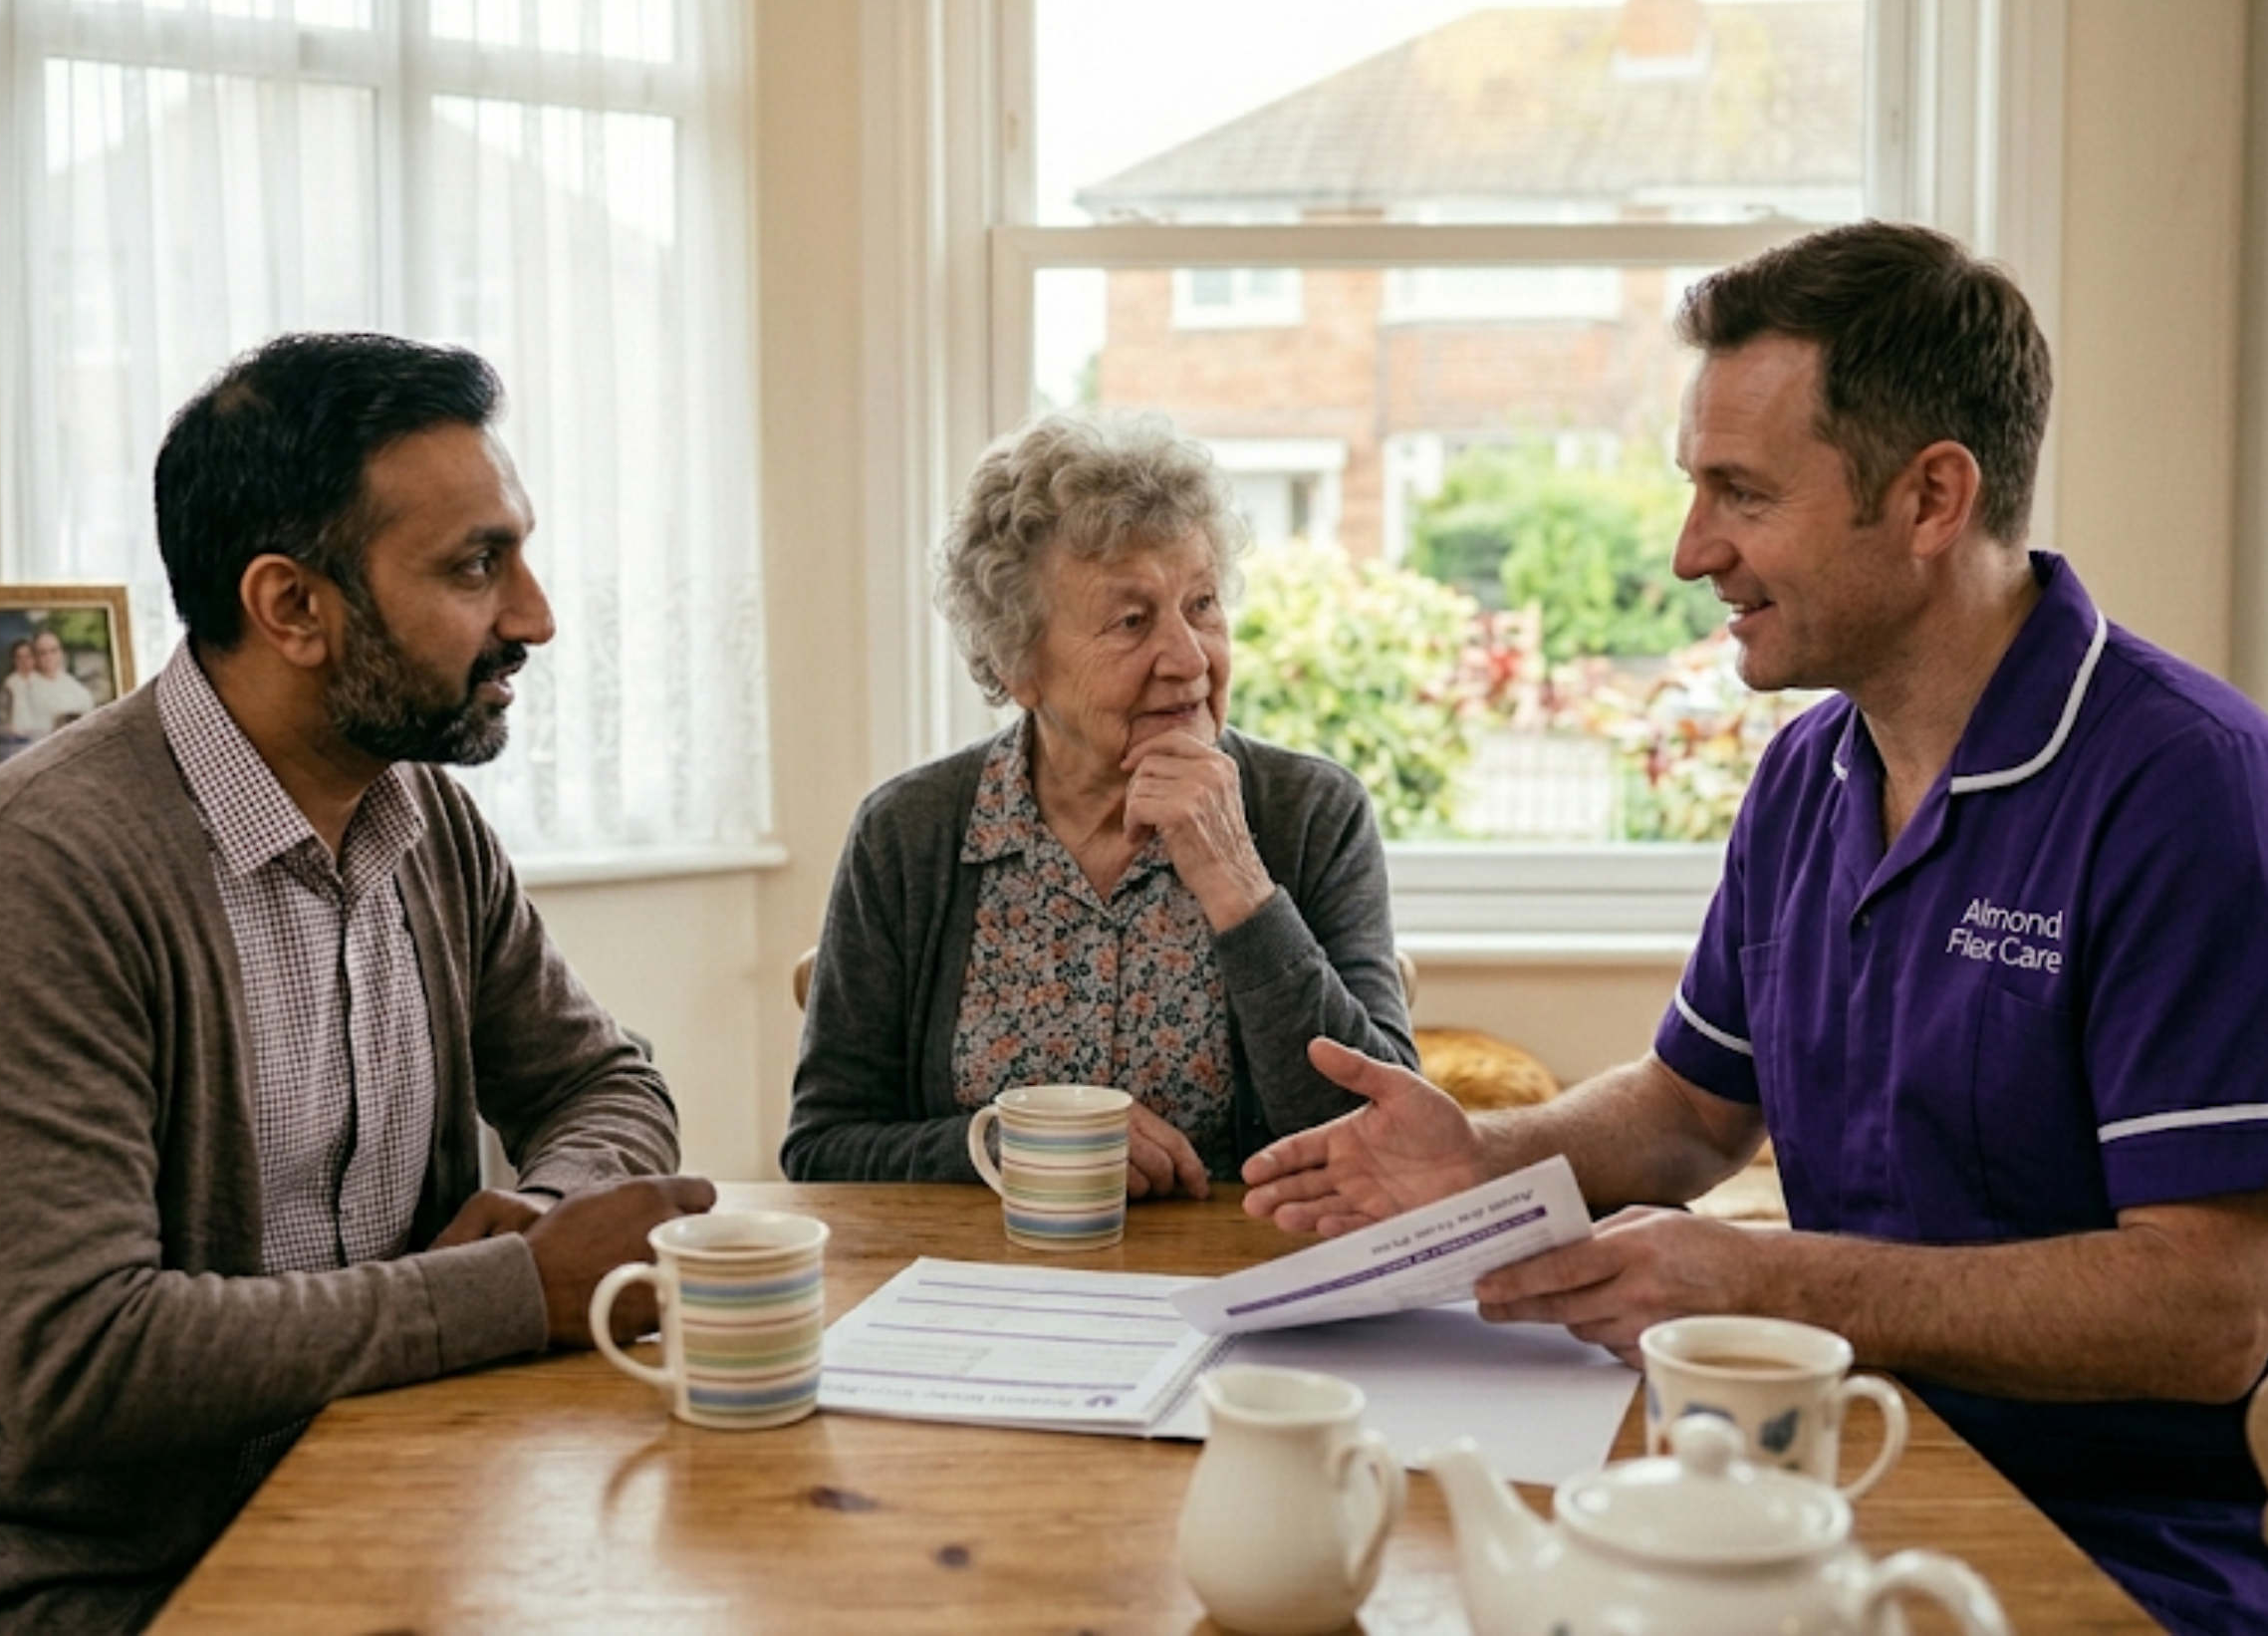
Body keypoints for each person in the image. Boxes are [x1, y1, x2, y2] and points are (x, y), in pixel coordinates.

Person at [1242, 222, 2268, 1636]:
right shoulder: (1808, 772)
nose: (1688, 550)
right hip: (1814, 1484)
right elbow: (1687, 1112)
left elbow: (2212, 1310)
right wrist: (1487, 1155)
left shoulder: (2188, 788)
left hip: (2094, 1549)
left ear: (1931, 499)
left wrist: (1771, 1277)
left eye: (1743, 493)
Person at [0, 333, 713, 1633]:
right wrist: (516, 1291)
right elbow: (81, 1357)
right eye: (476, 566)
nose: (535, 616)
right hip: (85, 1577)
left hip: (390, 1485)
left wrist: (550, 1217)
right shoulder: (36, 872)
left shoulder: (424, 823)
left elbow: (602, 1079)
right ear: (291, 608)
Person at [782, 410, 1415, 1197]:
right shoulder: (908, 835)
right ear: (1019, 665)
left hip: (1240, 1278)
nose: (1187, 659)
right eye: (1131, 621)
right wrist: (1006, 1145)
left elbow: (1386, 1136)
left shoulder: (1313, 814)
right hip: (985, 1291)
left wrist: (1240, 886)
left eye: (1203, 604)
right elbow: (823, 1147)